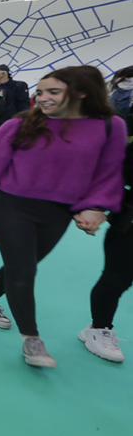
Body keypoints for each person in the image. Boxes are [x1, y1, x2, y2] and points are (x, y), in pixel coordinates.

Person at [0, 65, 126, 367]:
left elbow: (108, 171)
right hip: (12, 204)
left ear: (82, 93)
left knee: (23, 263)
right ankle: (31, 340)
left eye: (53, 92)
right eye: (41, 91)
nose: (43, 98)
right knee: (24, 269)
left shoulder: (110, 126)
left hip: (58, 211)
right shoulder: (21, 124)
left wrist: (96, 206)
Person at [86, 139, 133, 363]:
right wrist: (97, 207)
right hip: (129, 225)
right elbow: (116, 174)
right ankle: (99, 328)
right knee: (117, 279)